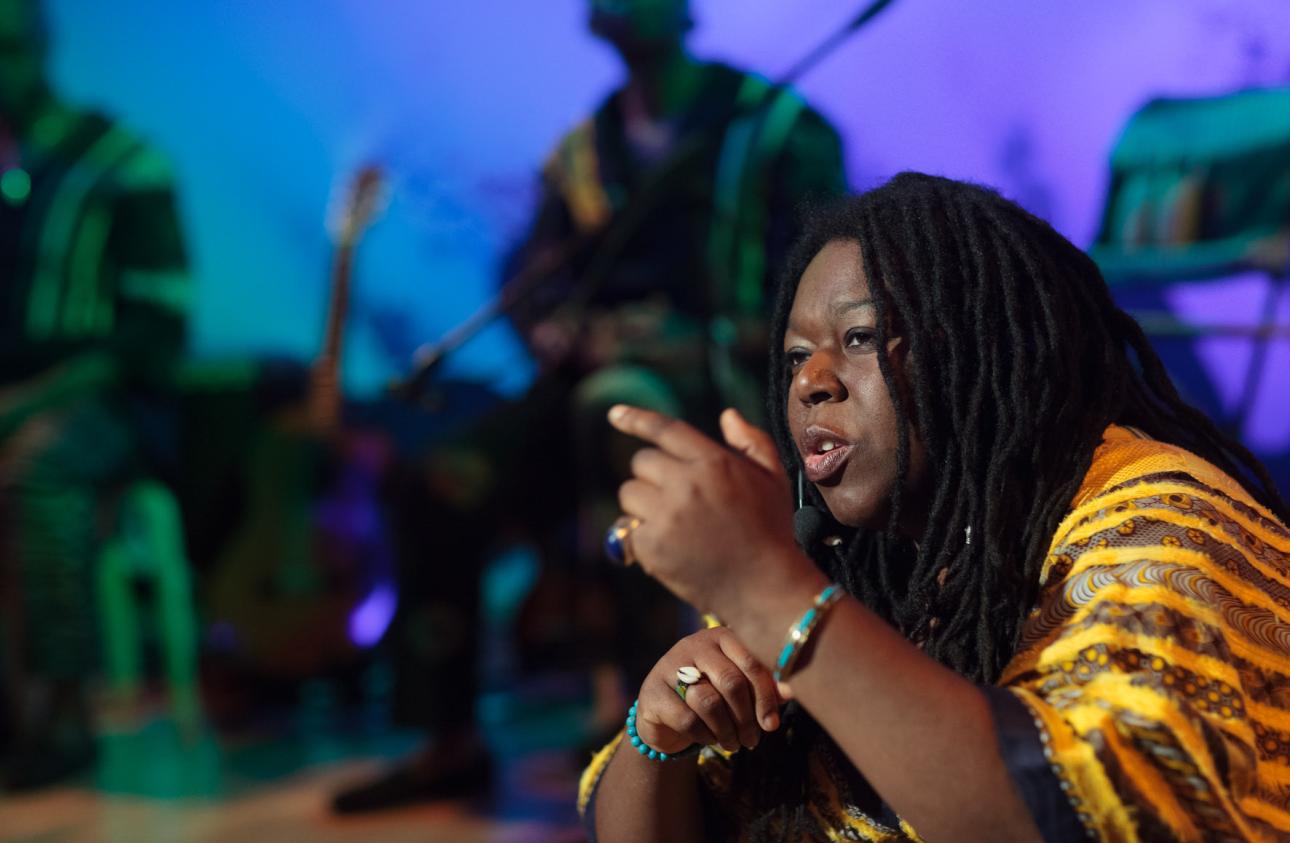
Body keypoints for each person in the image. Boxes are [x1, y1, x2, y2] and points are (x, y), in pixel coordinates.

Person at [578, 173, 1290, 841]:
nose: (811, 383)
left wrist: (762, 588)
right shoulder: (851, 553)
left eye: (859, 338)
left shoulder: (1160, 524)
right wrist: (658, 731)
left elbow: (1076, 811)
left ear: (984, 343)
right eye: (795, 357)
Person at [330, 0, 846, 814]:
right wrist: (552, 326)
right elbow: (530, 273)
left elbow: (825, 291)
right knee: (437, 478)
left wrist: (672, 337)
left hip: (725, 395)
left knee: (616, 410)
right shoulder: (581, 152)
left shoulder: (775, 127)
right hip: (586, 387)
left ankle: (640, 711)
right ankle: (446, 738)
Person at [0, 0, 190, 790]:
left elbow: (153, 331)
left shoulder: (121, 164)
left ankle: (58, 711)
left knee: (33, 469)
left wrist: (26, 399)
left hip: (107, 403)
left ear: (40, 47)